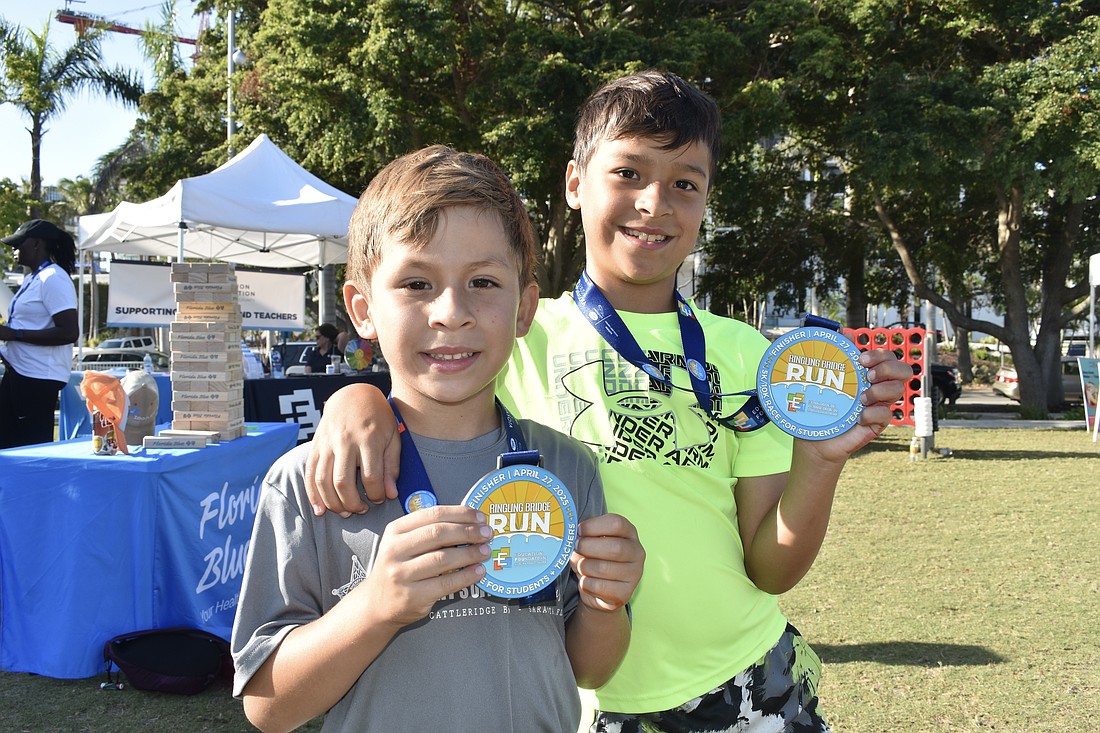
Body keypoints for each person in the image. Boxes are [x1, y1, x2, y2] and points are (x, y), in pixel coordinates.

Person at [303, 71, 911, 732]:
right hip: (585, 696)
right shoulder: (514, 332)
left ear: (706, 202)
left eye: (685, 182)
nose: (655, 201)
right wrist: (358, 400)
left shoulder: (744, 354)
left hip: (742, 680)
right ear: (575, 184)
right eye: (628, 172)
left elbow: (771, 566)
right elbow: (423, 390)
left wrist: (819, 463)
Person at [231, 145, 645, 733]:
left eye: (483, 281)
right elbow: (268, 707)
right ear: (362, 307)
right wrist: (375, 608)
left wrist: (607, 604)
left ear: (525, 308)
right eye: (417, 282)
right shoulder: (313, 480)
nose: (452, 311)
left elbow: (590, 669)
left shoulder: (564, 466)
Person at [0, 219, 79, 449]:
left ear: (36, 244)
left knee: (30, 451)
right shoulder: (34, 278)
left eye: (18, 244)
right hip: (19, 375)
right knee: (8, 449)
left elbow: (69, 332)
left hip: (36, 380)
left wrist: (13, 335)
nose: (14, 250)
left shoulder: (53, 278)